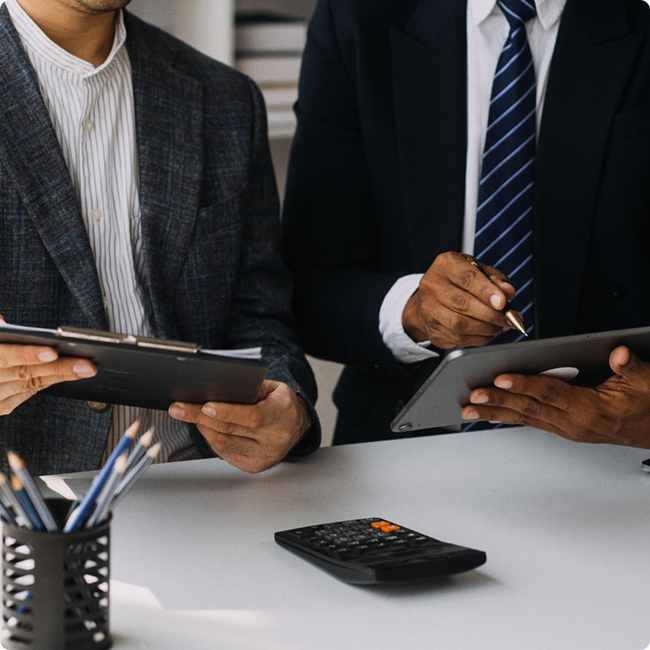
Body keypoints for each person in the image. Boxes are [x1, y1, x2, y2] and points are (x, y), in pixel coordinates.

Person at [282, 0, 650, 449]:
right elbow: (310, 285)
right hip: (401, 448)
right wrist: (414, 312)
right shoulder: (359, 15)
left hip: (619, 451)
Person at [0, 0, 320, 476]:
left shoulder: (225, 100)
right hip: (24, 513)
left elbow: (260, 318)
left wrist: (284, 401)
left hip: (199, 490)